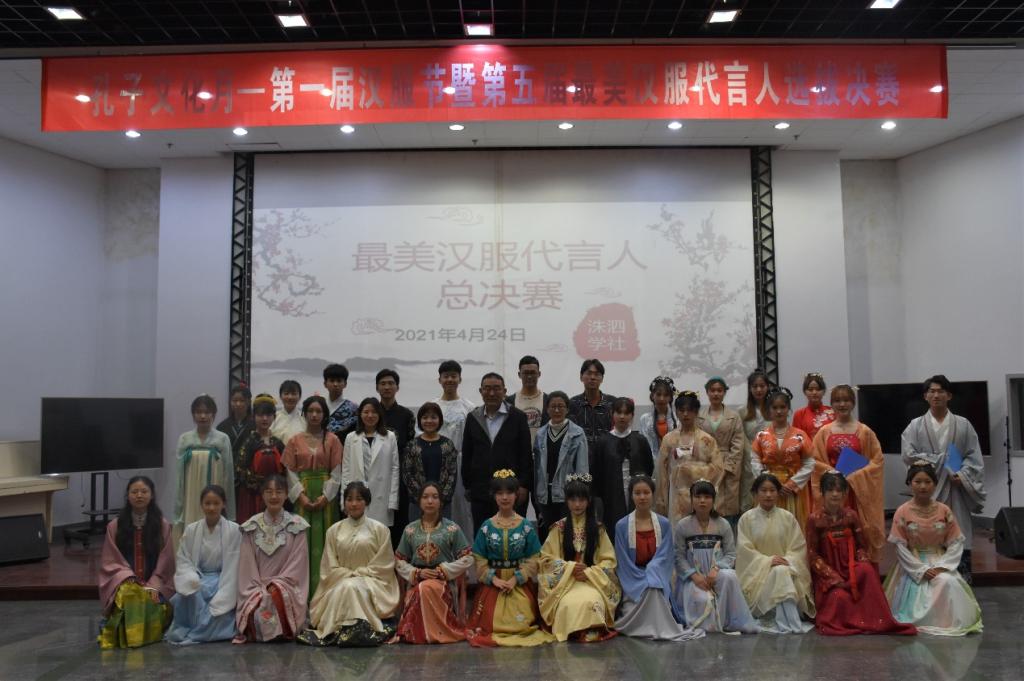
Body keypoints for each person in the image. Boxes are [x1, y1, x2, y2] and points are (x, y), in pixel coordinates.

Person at [805, 471, 916, 637]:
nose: (835, 494)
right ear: (822, 492)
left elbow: (860, 546)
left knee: (867, 571)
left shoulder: (851, 515)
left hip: (850, 565)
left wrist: (861, 562)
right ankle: (851, 621)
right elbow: (812, 554)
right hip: (829, 571)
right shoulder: (814, 519)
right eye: (830, 490)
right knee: (839, 597)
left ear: (845, 493)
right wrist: (831, 576)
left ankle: (878, 620)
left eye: (839, 490)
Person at [901, 374, 986, 582]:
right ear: (925, 396)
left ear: (949, 395)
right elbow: (909, 455)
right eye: (932, 391)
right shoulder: (915, 425)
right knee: (927, 536)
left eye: (941, 391)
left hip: (956, 489)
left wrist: (962, 474)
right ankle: (929, 584)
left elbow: (973, 456)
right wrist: (940, 462)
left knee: (958, 533)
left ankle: (961, 585)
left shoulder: (963, 424)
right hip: (926, 492)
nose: (936, 395)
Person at [884, 462, 983, 636]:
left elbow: (956, 542)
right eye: (918, 481)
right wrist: (920, 570)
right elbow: (900, 546)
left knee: (947, 581)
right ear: (910, 483)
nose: (923, 486)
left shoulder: (944, 510)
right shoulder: (902, 511)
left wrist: (943, 565)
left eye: (927, 482)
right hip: (912, 563)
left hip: (940, 560)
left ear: (935, 484)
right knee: (920, 587)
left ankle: (947, 621)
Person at [300, 481, 401, 647]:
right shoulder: (333, 531)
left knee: (350, 587)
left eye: (359, 499)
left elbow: (385, 565)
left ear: (366, 502)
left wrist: (360, 574)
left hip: (373, 582)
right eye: (349, 499)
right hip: (339, 581)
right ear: (344, 502)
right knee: (348, 586)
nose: (354, 504)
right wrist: (349, 575)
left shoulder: (380, 529)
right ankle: (350, 629)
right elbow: (329, 568)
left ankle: (349, 629)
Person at [465, 471, 554, 647]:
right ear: (494, 496)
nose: (504, 497)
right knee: (492, 623)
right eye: (500, 493)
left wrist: (516, 578)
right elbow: (479, 558)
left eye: (509, 493)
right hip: (493, 584)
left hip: (519, 583)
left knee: (522, 622)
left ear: (516, 495)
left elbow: (535, 557)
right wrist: (494, 579)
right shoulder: (487, 527)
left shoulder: (526, 526)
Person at [613, 475, 704, 641]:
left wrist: (653, 572)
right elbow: (623, 561)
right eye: (637, 493)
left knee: (653, 588)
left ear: (653, 494)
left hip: (658, 575)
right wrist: (642, 578)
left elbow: (665, 556)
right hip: (632, 579)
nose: (642, 497)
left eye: (646, 492)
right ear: (631, 496)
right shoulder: (621, 526)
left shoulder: (664, 524)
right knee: (639, 603)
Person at [538, 475, 620, 642]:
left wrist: (589, 572)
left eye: (581, 500)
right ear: (567, 501)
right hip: (565, 583)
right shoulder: (558, 528)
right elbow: (546, 560)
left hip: (591, 582)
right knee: (568, 603)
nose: (577, 504)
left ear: (588, 501)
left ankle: (588, 628)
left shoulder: (598, 529)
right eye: (573, 499)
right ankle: (573, 630)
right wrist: (569, 568)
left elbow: (609, 562)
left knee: (592, 600)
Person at [810, 385, 886, 563]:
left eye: (846, 400)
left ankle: (862, 570)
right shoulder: (824, 432)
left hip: (857, 493)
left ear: (853, 403)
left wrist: (856, 476)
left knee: (859, 532)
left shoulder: (865, 431)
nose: (842, 404)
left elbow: (877, 461)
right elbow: (814, 461)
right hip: (833, 491)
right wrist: (833, 473)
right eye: (837, 400)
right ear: (832, 404)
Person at [98, 476, 175, 649]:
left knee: (151, 598)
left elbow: (167, 560)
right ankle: (130, 637)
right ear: (128, 495)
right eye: (134, 491)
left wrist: (152, 584)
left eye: (144, 491)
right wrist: (129, 579)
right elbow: (111, 560)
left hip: (156, 582)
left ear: (152, 495)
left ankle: (142, 635)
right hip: (125, 582)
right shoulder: (115, 526)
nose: (139, 495)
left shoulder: (162, 525)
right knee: (129, 596)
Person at [672, 480, 758, 634]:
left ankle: (725, 621)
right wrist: (694, 576)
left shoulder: (723, 524)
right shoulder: (683, 525)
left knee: (730, 576)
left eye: (707, 497)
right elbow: (678, 556)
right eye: (698, 496)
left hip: (716, 572)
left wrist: (716, 568)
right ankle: (712, 625)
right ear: (691, 499)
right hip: (693, 576)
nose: (702, 501)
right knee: (703, 600)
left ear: (713, 500)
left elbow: (731, 553)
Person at [394, 482, 474, 644]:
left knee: (426, 588)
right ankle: (426, 632)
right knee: (422, 588)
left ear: (441, 502)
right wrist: (416, 572)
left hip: (443, 582)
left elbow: (468, 558)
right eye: (425, 497)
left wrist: (444, 570)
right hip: (417, 581)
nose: (430, 501)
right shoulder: (410, 530)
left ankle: (425, 632)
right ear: (419, 501)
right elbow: (399, 560)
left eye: (435, 497)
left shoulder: (452, 529)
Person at [234, 475, 309, 643]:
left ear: (287, 494)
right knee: (260, 604)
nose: (274, 496)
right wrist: (259, 590)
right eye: (269, 491)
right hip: (255, 588)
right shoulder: (251, 526)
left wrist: (277, 586)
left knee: (277, 598)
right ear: (262, 494)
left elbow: (298, 565)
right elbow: (247, 566)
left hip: (286, 587)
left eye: (279, 491)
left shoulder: (297, 525)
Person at [736, 473, 814, 634]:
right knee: (780, 571)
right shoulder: (746, 519)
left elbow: (798, 549)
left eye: (772, 490)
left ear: (778, 493)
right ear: (755, 493)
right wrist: (768, 561)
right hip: (758, 581)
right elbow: (744, 553)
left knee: (781, 571)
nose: (768, 495)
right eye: (763, 490)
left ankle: (784, 622)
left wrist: (787, 560)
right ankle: (791, 623)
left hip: (787, 573)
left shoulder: (788, 518)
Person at [166, 484, 242, 645]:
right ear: (201, 505)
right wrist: (190, 577)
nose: (211, 508)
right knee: (187, 594)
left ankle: (203, 633)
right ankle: (190, 629)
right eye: (207, 503)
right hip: (198, 576)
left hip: (224, 578)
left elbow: (235, 563)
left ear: (224, 504)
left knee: (219, 603)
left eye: (216, 503)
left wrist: (226, 585)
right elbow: (184, 559)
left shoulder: (235, 530)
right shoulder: (191, 529)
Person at [282, 395, 343, 596]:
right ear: (305, 413)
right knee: (302, 544)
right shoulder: (294, 440)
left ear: (324, 415)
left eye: (319, 411)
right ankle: (301, 596)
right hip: (303, 495)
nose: (315, 415)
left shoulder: (333, 440)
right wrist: (301, 497)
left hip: (327, 500)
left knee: (327, 543)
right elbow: (290, 472)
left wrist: (326, 497)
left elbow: (337, 472)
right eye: (311, 411)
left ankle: (326, 595)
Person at [461, 373, 533, 534]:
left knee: (513, 533)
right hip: (481, 489)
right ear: (481, 391)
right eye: (487, 389)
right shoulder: (473, 417)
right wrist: (468, 485)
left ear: (504, 391)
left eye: (496, 388)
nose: (492, 393)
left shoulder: (518, 417)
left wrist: (523, 485)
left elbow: (525, 454)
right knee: (483, 533)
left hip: (511, 490)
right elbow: (467, 453)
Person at [749, 387, 814, 528]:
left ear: (788, 409)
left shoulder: (800, 435)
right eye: (775, 408)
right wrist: (766, 480)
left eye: (782, 407)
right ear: (769, 410)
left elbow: (809, 462)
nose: (779, 411)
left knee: (791, 527)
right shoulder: (762, 435)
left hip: (791, 490)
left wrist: (793, 484)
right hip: (767, 488)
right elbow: (754, 459)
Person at [655, 391, 723, 523]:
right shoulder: (669, 439)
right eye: (681, 410)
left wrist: (693, 471)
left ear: (696, 412)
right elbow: (661, 471)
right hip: (675, 494)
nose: (685, 414)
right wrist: (661, 497)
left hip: (700, 495)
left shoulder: (706, 440)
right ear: (676, 412)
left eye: (690, 410)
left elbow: (718, 468)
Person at [592, 397, 655, 539]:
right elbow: (596, 473)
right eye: (618, 412)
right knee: (613, 530)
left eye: (626, 413)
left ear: (632, 416)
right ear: (612, 414)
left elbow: (649, 467)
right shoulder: (603, 442)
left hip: (637, 495)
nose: (622, 416)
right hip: (611, 497)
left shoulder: (640, 440)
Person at [174, 395, 235, 540]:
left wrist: (229, 508)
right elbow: (179, 475)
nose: (203, 416)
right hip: (191, 492)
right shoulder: (185, 439)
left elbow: (228, 473)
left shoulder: (222, 439)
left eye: (207, 412)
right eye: (198, 412)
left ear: (213, 414)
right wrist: (178, 507)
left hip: (215, 488)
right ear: (193, 414)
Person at [533, 391, 589, 540]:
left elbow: (582, 468)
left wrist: (578, 495)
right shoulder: (541, 434)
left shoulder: (577, 433)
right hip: (545, 495)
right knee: (548, 536)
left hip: (567, 495)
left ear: (567, 409)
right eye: (553, 406)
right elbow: (537, 468)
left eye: (561, 406)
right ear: (547, 409)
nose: (557, 410)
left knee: (567, 536)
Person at [434, 359, 477, 545]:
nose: (450, 380)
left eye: (453, 376)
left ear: (460, 379)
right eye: (446, 376)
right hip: (437, 462)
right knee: (438, 504)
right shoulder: (432, 406)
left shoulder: (470, 407)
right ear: (440, 380)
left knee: (463, 508)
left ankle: (465, 549)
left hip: (461, 463)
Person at [342, 397, 400, 530]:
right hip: (356, 496)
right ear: (360, 414)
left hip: (382, 496)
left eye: (374, 412)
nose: (370, 415)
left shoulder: (390, 437)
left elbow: (395, 469)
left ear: (380, 414)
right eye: (366, 412)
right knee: (356, 535)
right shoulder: (351, 438)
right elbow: (346, 470)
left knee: (379, 534)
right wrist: (344, 500)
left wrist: (393, 500)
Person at [376, 368, 416, 546]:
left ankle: (400, 557)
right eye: (383, 383)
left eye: (391, 383)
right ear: (377, 387)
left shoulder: (406, 415)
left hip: (399, 475)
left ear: (397, 387)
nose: (387, 387)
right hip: (375, 473)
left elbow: (410, 446)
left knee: (399, 518)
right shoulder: (371, 413)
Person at [698, 377, 746, 525]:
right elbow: (696, 440)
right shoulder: (699, 416)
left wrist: (728, 466)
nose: (716, 394)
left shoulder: (734, 417)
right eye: (712, 390)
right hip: (706, 463)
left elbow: (738, 444)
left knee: (728, 507)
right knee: (706, 501)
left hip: (728, 465)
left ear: (724, 392)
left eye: (719, 390)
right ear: (707, 392)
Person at [234, 393, 287, 520]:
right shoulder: (249, 442)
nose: (264, 419)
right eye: (260, 415)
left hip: (275, 495)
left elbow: (285, 470)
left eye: (268, 415)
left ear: (274, 417)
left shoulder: (278, 443)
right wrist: (260, 486)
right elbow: (239, 470)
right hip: (253, 496)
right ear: (254, 417)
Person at [402, 402, 458, 520]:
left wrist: (441, 498)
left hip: (442, 503)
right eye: (425, 417)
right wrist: (422, 497)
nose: (429, 421)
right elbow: (407, 473)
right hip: (417, 503)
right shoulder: (412, 445)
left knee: (442, 531)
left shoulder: (448, 444)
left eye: (433, 417)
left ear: (440, 420)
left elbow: (452, 473)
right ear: (420, 420)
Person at [569, 358, 617, 463]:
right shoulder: (572, 404)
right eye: (589, 373)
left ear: (602, 378)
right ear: (581, 377)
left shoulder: (612, 403)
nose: (592, 377)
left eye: (597, 374)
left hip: (607, 460)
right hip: (580, 461)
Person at [740, 370, 772, 512]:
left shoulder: (774, 408)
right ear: (750, 388)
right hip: (749, 460)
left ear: (767, 387)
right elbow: (741, 437)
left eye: (762, 386)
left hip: (771, 458)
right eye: (755, 386)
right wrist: (754, 455)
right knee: (750, 496)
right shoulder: (742, 411)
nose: (759, 390)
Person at [505, 355, 549, 442]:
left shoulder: (548, 400)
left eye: (532, 373)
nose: (529, 376)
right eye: (525, 373)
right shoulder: (509, 402)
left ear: (539, 374)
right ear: (519, 374)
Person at [638, 376, 679, 457]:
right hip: (651, 462)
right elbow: (642, 446)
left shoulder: (678, 418)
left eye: (666, 395)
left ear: (670, 397)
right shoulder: (645, 419)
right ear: (652, 396)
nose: (661, 398)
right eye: (658, 394)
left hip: (674, 462)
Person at [792, 372, 836, 441]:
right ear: (804, 392)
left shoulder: (833, 412)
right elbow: (797, 440)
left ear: (824, 391)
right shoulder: (799, 414)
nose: (814, 392)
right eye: (810, 389)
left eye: (818, 389)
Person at [217, 384, 253, 458]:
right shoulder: (222, 426)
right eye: (234, 400)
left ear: (249, 402)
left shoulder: (255, 425)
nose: (238, 404)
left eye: (242, 400)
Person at [323, 363, 358, 439]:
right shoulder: (319, 405)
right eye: (332, 380)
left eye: (339, 381)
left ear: (345, 384)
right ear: (325, 384)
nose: (335, 384)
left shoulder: (353, 408)